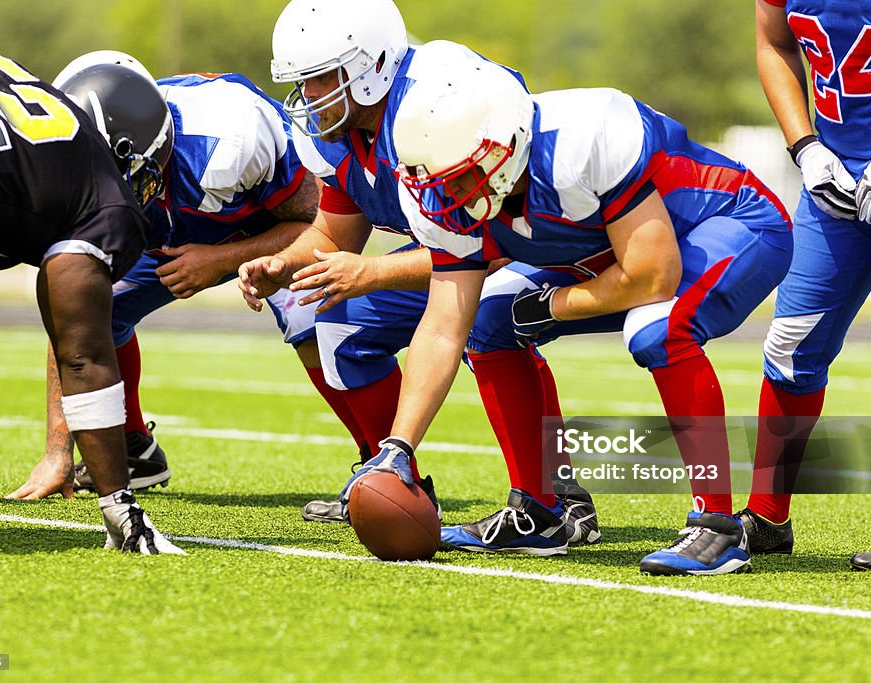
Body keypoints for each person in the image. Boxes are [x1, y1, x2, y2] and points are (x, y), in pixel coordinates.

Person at [383, 56, 794, 574]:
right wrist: (396, 447)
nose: (451, 197)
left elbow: (652, 278)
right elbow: (444, 326)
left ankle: (717, 527)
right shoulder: (445, 188)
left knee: (658, 328)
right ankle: (539, 509)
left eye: (461, 179)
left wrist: (550, 304)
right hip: (608, 259)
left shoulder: (585, 138)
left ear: (504, 149)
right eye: (440, 183)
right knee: (487, 322)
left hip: (732, 223)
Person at [238, 0, 601, 553]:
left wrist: (376, 270)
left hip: (529, 240)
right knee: (337, 320)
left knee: (488, 314)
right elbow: (334, 235)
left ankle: (551, 496)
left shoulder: (437, 105)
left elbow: (489, 246)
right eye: (304, 83)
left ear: (370, 66)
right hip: (455, 252)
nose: (309, 97)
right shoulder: (340, 131)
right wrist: (283, 264)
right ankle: (392, 474)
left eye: (320, 80)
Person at [7, 51, 333, 499]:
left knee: (315, 320)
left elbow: (321, 225)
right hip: (172, 223)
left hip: (268, 222)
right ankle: (132, 447)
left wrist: (222, 259)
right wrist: (57, 452)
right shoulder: (100, 154)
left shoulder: (227, 140)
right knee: (86, 306)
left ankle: (383, 466)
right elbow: (70, 306)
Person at [0, 52, 182, 553]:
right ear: (125, 148)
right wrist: (118, 504)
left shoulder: (7, 75)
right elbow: (82, 354)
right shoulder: (104, 197)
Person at [742, 0, 871, 572]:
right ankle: (766, 517)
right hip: (835, 165)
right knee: (789, 344)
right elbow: (775, 45)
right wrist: (805, 146)